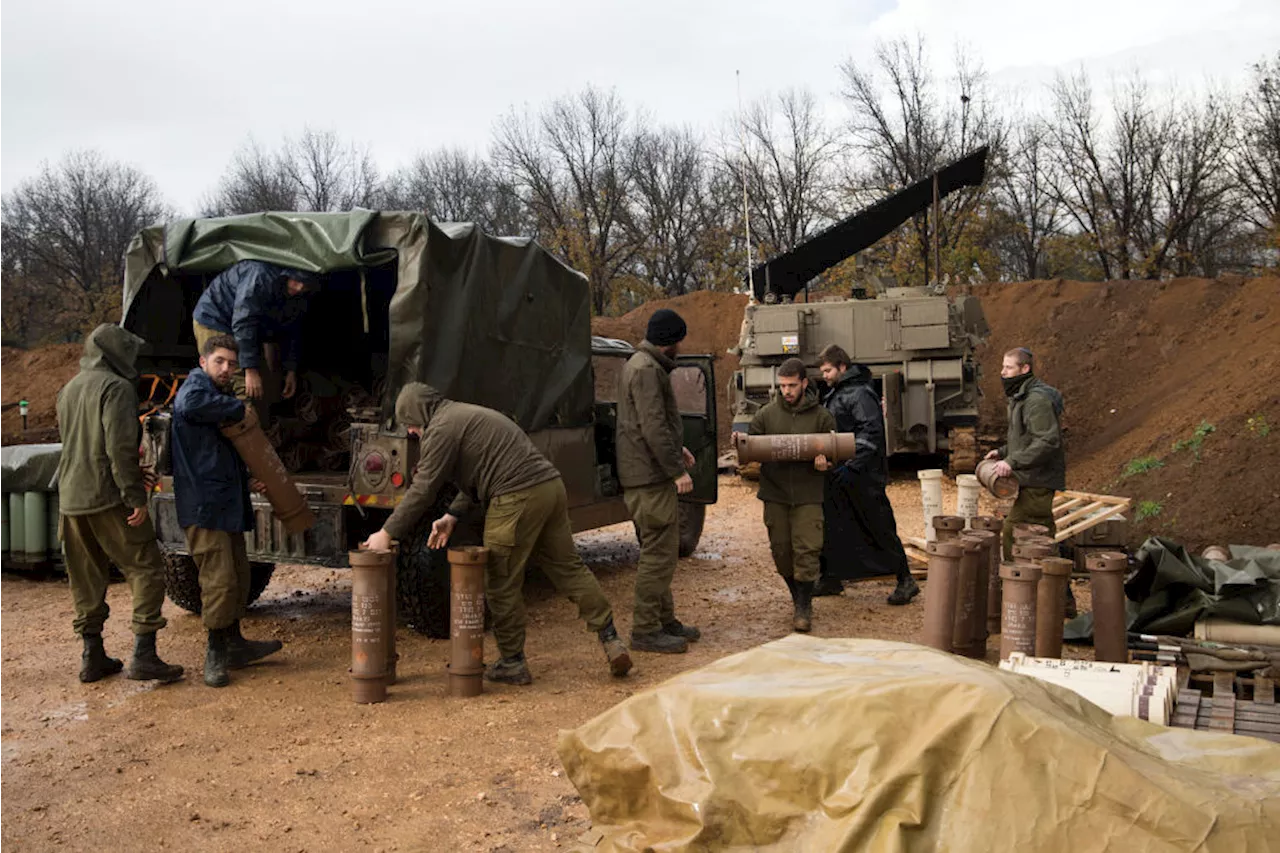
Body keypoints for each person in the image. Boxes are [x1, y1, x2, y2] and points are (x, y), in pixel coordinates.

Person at [362, 383, 631, 686]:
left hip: (515, 497)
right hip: (550, 488)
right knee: (569, 568)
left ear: (419, 412)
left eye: (410, 422)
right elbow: (481, 473)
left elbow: (424, 489)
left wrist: (386, 533)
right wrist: (452, 515)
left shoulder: (440, 429)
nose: (411, 431)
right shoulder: (464, 416)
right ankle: (611, 639)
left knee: (500, 579)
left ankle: (513, 661)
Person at [55, 324, 184, 684]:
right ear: (116, 352)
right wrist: (134, 497)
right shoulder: (116, 388)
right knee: (145, 567)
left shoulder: (69, 388)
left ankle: (92, 654)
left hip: (70, 496)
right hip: (108, 495)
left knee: (85, 575)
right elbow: (119, 449)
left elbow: (79, 444)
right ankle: (144, 654)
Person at [171, 334, 284, 688]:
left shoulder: (215, 395)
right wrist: (239, 409)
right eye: (220, 361)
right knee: (219, 581)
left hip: (226, 501)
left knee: (237, 575)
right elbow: (190, 407)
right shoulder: (195, 390)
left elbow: (215, 451)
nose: (226, 369)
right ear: (203, 362)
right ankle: (215, 654)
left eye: (232, 364)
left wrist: (247, 479)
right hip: (205, 507)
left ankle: (234, 644)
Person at [615, 308, 700, 654]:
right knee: (658, 555)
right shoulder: (647, 370)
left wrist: (676, 449)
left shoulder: (638, 364)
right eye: (679, 340)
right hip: (649, 480)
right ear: (670, 342)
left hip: (644, 473)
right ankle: (646, 629)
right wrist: (675, 471)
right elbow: (651, 426)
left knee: (661, 551)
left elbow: (644, 423)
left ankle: (665, 621)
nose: (681, 346)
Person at [816, 344, 920, 605]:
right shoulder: (839, 393)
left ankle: (905, 580)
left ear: (842, 367)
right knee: (835, 525)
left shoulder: (859, 394)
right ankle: (831, 577)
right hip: (842, 473)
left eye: (828, 370)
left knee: (878, 525)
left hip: (863, 475)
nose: (824, 376)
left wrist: (853, 466)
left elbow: (870, 432)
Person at [745, 358, 835, 632]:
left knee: (807, 550)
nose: (787, 391)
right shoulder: (765, 415)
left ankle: (804, 605)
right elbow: (751, 446)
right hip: (776, 494)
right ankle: (797, 596)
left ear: (804, 383)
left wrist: (826, 462)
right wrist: (745, 450)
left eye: (792, 385)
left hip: (808, 494)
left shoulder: (822, 417)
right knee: (781, 551)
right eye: (783, 385)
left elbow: (835, 452)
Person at [191, 259, 317, 424]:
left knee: (261, 388)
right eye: (296, 280)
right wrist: (250, 369)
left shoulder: (300, 296)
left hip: (250, 330)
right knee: (239, 382)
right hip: (216, 318)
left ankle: (262, 434)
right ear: (286, 274)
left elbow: (291, 330)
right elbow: (244, 321)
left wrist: (291, 370)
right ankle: (244, 438)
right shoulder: (259, 275)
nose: (299, 287)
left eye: (305, 285)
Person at [984, 347, 1066, 561]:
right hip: (1032, 476)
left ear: (1025, 368)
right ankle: (1053, 588)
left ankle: (1019, 584)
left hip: (1039, 479)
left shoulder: (1035, 401)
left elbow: (1048, 441)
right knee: (1041, 531)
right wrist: (1001, 452)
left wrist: (1012, 461)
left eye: (1009, 367)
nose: (1003, 372)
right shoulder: (1022, 396)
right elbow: (1025, 438)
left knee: (1016, 530)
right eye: (1003, 367)